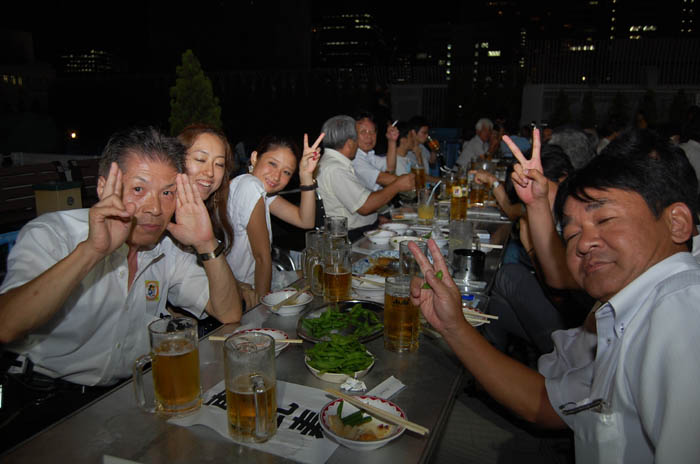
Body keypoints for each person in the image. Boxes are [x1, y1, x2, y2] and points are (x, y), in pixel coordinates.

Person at [408, 130, 700, 462]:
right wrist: (453, 326)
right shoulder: (625, 308)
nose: (583, 243)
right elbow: (547, 405)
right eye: (571, 233)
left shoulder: (682, 311)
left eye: (605, 219)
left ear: (678, 222)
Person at [0, 126, 243, 386]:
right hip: (43, 393)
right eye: (139, 189)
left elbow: (229, 313)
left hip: (128, 391)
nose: (154, 208)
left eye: (167, 193)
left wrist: (206, 244)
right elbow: (7, 325)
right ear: (104, 187)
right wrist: (92, 251)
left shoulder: (167, 248)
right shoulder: (54, 233)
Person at [225, 132, 324, 303]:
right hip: (247, 290)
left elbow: (305, 220)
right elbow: (262, 258)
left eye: (286, 172)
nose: (277, 176)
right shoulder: (250, 186)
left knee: (320, 273)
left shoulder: (257, 189)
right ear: (254, 158)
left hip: (265, 278)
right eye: (272, 163)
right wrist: (262, 310)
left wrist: (306, 175)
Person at [316, 115, 414, 242]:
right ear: (350, 143)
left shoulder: (337, 163)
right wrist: (397, 186)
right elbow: (365, 206)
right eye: (358, 138)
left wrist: (376, 218)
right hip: (351, 237)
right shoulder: (335, 169)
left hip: (364, 228)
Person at [352, 112, 399, 191]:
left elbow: (390, 167)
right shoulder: (354, 158)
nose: (369, 136)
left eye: (372, 131)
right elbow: (383, 179)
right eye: (363, 132)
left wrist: (392, 141)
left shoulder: (369, 155)